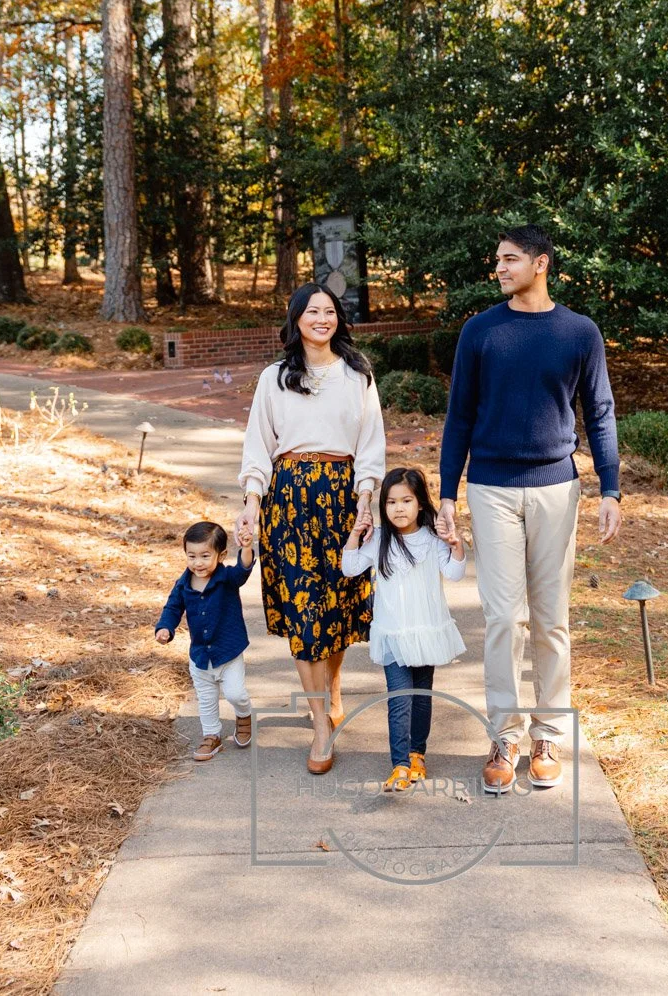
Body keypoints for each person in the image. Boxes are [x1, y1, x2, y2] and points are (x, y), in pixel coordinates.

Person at [437, 224, 623, 794]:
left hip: (555, 488)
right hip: (491, 487)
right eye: (497, 259)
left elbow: (600, 411)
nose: (499, 268)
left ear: (541, 264)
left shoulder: (578, 332)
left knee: (551, 620)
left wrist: (609, 488)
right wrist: (448, 491)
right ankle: (504, 736)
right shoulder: (480, 331)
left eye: (510, 259)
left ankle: (547, 735)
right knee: (502, 618)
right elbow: (459, 416)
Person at [236, 283, 386, 774]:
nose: (322, 318)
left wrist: (366, 502)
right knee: (304, 613)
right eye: (312, 311)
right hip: (290, 501)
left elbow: (370, 445)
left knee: (337, 608)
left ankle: (332, 688)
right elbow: (258, 447)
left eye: (330, 311)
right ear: (296, 319)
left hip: (342, 499)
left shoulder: (357, 374)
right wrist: (251, 506)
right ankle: (321, 723)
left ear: (338, 320)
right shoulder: (273, 378)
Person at [343, 466, 466, 793]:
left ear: (421, 504)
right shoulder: (379, 540)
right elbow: (350, 567)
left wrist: (455, 544)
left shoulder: (431, 539)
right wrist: (356, 534)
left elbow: (454, 573)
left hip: (425, 632)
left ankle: (417, 754)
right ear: (382, 507)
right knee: (399, 698)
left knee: (421, 698)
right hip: (394, 635)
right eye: (391, 502)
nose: (399, 508)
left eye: (406, 500)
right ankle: (399, 765)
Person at [154, 520, 255, 763]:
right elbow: (173, 607)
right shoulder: (184, 584)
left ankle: (244, 715)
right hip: (200, 655)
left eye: (205, 556)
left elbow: (243, 570)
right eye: (192, 556)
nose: (198, 563)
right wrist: (165, 627)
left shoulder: (226, 578)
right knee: (206, 699)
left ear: (221, 555)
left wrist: (248, 547)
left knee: (235, 694)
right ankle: (211, 736)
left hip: (228, 652)